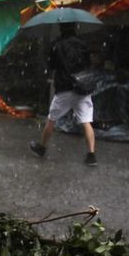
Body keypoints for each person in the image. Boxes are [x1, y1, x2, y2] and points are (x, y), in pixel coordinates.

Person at [29, 22, 97, 166]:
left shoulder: (57, 45)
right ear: (75, 27)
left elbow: (52, 65)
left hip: (65, 87)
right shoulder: (82, 43)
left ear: (61, 28)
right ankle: (91, 155)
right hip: (83, 87)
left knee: (52, 119)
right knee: (86, 122)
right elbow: (88, 63)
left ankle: (42, 148)